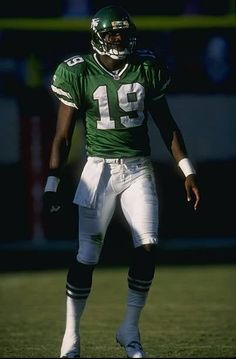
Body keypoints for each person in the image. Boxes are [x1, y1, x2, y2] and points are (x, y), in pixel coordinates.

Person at [43, 5, 200, 358]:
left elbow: (167, 125)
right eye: (112, 33)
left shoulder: (147, 67)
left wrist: (188, 170)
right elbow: (62, 136)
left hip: (138, 169)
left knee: (148, 246)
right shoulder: (77, 71)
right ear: (98, 36)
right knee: (87, 255)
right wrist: (52, 182)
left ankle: (129, 329)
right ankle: (71, 337)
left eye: (123, 32)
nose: (119, 39)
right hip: (97, 171)